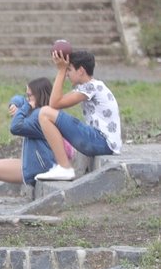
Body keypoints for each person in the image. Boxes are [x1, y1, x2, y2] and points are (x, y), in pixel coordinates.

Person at [0, 77, 72, 216]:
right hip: (39, 163)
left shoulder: (38, 117)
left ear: (38, 96)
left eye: (29, 96)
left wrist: (24, 108)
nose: (26, 98)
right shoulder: (48, 112)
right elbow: (19, 98)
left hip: (39, 167)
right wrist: (15, 103)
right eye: (26, 95)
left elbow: (15, 127)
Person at [34, 49, 122, 181]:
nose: (67, 74)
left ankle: (64, 168)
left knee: (45, 113)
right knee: (48, 113)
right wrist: (64, 69)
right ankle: (62, 166)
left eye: (69, 70)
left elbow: (54, 103)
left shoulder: (92, 87)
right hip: (100, 141)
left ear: (80, 71)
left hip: (102, 142)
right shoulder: (89, 87)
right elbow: (56, 102)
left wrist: (61, 70)